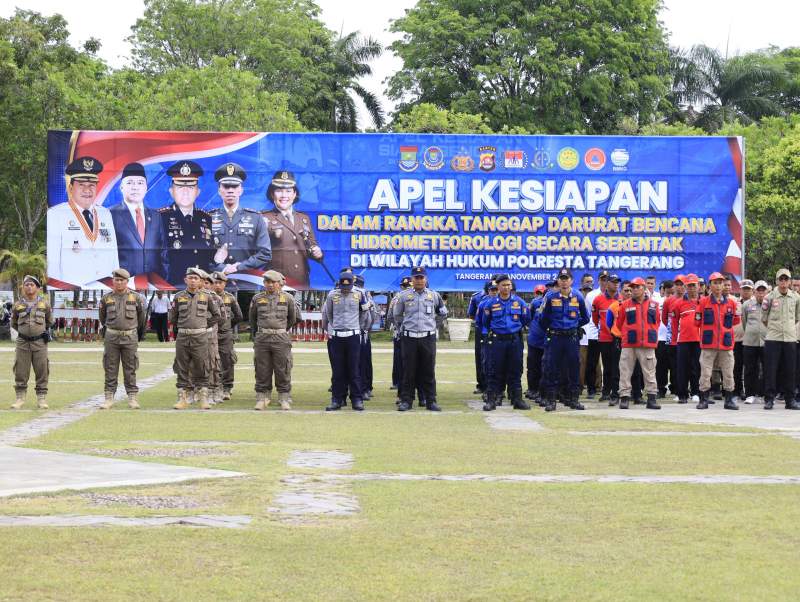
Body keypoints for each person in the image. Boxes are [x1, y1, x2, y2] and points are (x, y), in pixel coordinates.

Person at [47, 156, 119, 286]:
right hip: (73, 288)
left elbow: (114, 255)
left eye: (91, 185)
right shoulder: (56, 214)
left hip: (105, 288)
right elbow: (52, 261)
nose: (87, 190)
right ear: (70, 188)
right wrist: (57, 289)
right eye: (81, 185)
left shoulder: (105, 214)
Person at [392, 266, 448, 412]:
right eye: (416, 278)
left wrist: (433, 325)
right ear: (412, 279)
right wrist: (403, 328)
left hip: (427, 338)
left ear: (425, 279)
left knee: (428, 371)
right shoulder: (403, 296)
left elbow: (443, 313)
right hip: (409, 338)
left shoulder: (434, 295)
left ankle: (431, 401)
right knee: (408, 371)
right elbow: (397, 315)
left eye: (421, 277)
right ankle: (406, 401)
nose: (419, 280)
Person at [209, 162, 272, 289]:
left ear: (241, 190)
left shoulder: (256, 218)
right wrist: (222, 268)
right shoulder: (208, 218)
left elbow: (265, 253)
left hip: (247, 284)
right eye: (226, 186)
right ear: (219, 190)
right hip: (216, 284)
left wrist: (239, 267)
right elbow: (200, 254)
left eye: (234, 186)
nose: (230, 190)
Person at [170, 267, 222, 410]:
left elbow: (217, 315)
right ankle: (182, 398)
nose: (193, 281)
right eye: (190, 278)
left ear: (200, 281)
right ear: (185, 280)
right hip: (183, 337)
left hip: (200, 337)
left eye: (196, 278)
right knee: (182, 367)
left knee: (202, 366)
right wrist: (183, 325)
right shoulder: (178, 296)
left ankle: (203, 398)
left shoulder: (207, 296)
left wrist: (204, 325)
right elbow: (173, 317)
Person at [539, 267, 590, 412]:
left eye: (566, 279)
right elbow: (542, 318)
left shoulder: (578, 296)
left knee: (573, 368)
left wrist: (573, 326)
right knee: (552, 368)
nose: (564, 282)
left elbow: (586, 317)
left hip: (571, 338)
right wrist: (553, 328)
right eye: (561, 279)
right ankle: (551, 401)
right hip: (555, 337)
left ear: (571, 281)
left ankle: (573, 399)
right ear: (558, 281)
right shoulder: (550, 297)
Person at [262, 170, 323, 288]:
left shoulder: (303, 218)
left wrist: (318, 253)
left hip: (302, 281)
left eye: (288, 191)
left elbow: (312, 246)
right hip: (276, 283)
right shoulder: (263, 218)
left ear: (295, 194)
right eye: (279, 190)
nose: (284, 195)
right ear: (272, 194)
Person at [110, 162, 169, 280]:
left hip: (153, 283)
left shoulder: (156, 216)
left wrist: (163, 281)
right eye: (130, 182)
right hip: (124, 283)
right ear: (121, 187)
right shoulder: (111, 214)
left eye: (140, 183)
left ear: (146, 187)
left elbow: (163, 253)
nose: (135, 187)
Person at [159, 161, 215, 285]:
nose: (185, 192)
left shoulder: (207, 218)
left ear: (198, 192)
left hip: (202, 287)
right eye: (180, 187)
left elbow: (211, 256)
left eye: (190, 187)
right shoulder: (160, 218)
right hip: (173, 285)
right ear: (171, 191)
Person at [98, 268, 146, 410]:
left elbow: (141, 319)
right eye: (116, 280)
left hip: (130, 337)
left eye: (122, 280)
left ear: (127, 281)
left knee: (130, 368)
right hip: (111, 337)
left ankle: (132, 397)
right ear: (113, 281)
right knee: (110, 367)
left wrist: (134, 332)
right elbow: (102, 318)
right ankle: (109, 398)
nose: (119, 282)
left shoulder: (136, 298)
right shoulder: (106, 298)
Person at [481, 274, 531, 411]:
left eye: (508, 285)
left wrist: (514, 328)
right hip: (497, 341)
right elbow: (486, 322)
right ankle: (492, 400)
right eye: (503, 285)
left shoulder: (519, 302)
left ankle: (517, 400)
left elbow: (526, 318)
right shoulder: (490, 303)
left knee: (516, 370)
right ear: (498, 287)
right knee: (494, 370)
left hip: (514, 341)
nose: (506, 287)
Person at [250, 270, 298, 410]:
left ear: (279, 283)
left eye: (273, 282)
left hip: (281, 338)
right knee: (262, 368)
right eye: (267, 282)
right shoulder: (257, 298)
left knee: (283, 368)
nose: (270, 285)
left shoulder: (288, 298)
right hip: (262, 338)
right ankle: (262, 397)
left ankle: (284, 397)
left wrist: (280, 330)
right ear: (264, 283)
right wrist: (258, 333)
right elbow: (252, 319)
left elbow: (292, 318)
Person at [323, 272, 370, 411]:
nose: (345, 290)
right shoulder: (332, 295)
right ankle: (337, 399)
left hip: (353, 336)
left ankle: (357, 399)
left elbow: (364, 313)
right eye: (343, 287)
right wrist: (335, 326)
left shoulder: (359, 294)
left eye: (348, 287)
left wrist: (357, 327)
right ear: (339, 284)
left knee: (354, 369)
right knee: (338, 370)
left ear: (352, 284)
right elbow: (329, 313)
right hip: (337, 336)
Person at [693, 272, 740, 410]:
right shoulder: (703, 302)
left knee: (728, 372)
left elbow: (735, 321)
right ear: (710, 286)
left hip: (726, 344)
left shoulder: (731, 303)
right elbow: (697, 321)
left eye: (720, 283)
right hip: (708, 344)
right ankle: (704, 400)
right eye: (715, 283)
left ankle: (729, 400)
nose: (718, 286)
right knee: (706, 373)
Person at [614, 277, 660, 410]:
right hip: (629, 344)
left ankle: (651, 399)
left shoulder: (654, 305)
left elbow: (657, 322)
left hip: (647, 343)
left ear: (644, 288)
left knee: (650, 372)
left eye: (637, 287)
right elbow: (619, 323)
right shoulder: (625, 305)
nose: (634, 289)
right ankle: (624, 398)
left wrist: (647, 333)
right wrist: (628, 334)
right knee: (625, 372)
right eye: (632, 287)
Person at [10, 275, 53, 410]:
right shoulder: (18, 305)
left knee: (42, 370)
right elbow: (14, 323)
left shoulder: (45, 304)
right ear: (23, 288)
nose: (29, 287)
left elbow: (49, 322)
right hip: (22, 343)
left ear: (38, 288)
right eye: (26, 285)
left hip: (40, 343)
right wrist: (25, 333)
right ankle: (20, 398)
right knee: (20, 370)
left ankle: (41, 398)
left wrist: (38, 332)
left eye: (32, 285)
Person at [761, 268, 800, 410]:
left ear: (789, 282)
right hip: (773, 338)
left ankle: (790, 400)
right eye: (781, 279)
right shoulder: (769, 297)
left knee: (790, 370)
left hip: (790, 338)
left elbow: (796, 318)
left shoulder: (796, 297)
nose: (783, 282)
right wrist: (775, 328)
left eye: (786, 279)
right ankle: (769, 399)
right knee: (771, 370)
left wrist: (787, 328)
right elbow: (764, 318)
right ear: (777, 281)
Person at [671, 273, 701, 404]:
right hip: (683, 340)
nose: (691, 288)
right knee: (682, 368)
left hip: (699, 341)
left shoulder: (703, 302)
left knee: (697, 367)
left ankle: (696, 392)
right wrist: (674, 339)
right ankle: (682, 394)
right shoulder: (678, 303)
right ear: (685, 287)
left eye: (693, 285)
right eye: (689, 286)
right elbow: (673, 323)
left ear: (698, 286)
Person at [212, 271, 243, 400]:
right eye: (215, 282)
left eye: (220, 283)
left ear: (225, 284)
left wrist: (228, 326)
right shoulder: (206, 297)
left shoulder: (230, 298)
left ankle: (227, 388)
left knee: (227, 361)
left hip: (225, 336)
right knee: (210, 362)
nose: (217, 285)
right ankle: (213, 387)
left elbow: (239, 316)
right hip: (209, 335)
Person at [592, 273, 621, 405]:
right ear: (607, 283)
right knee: (607, 366)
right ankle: (606, 392)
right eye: (613, 282)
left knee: (617, 367)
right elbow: (595, 319)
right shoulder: (598, 300)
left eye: (617, 282)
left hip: (619, 339)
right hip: (604, 338)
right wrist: (604, 330)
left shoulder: (622, 299)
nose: (616, 284)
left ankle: (616, 392)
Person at [741, 280, 768, 404]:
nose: (761, 293)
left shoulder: (770, 305)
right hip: (750, 342)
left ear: (766, 292)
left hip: (766, 341)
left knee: (767, 369)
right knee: (750, 369)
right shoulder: (746, 305)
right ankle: (749, 394)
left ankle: (766, 395)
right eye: (758, 291)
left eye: (763, 291)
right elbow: (744, 322)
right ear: (754, 292)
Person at [583, 270, 608, 398]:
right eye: (602, 279)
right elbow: (587, 314)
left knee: (608, 363)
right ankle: (591, 389)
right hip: (594, 333)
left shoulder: (614, 295)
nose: (605, 282)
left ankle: (607, 389)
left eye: (607, 279)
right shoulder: (591, 295)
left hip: (608, 334)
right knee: (591, 362)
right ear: (598, 280)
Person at [388, 276, 412, 392]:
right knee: (408, 359)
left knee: (398, 358)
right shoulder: (399, 298)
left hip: (399, 332)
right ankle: (405, 383)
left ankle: (397, 382)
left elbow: (390, 317)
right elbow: (390, 316)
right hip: (408, 332)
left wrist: (398, 327)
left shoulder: (396, 298)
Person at [525, 284, 547, 404]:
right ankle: (532, 389)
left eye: (541, 293)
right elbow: (528, 318)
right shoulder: (535, 303)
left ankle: (543, 391)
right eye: (538, 293)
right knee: (533, 366)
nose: (539, 295)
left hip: (548, 340)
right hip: (535, 339)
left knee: (546, 367)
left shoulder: (554, 302)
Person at [468, 281, 490, 395]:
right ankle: (481, 385)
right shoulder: (476, 297)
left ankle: (496, 387)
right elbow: (471, 314)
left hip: (495, 330)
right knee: (480, 357)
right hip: (481, 330)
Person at [655, 279, 674, 397]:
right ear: (663, 290)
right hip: (660, 338)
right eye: (668, 292)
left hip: (673, 338)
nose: (670, 295)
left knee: (674, 365)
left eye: (672, 292)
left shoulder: (677, 301)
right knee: (660, 366)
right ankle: (661, 389)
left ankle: (675, 388)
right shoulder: (657, 302)